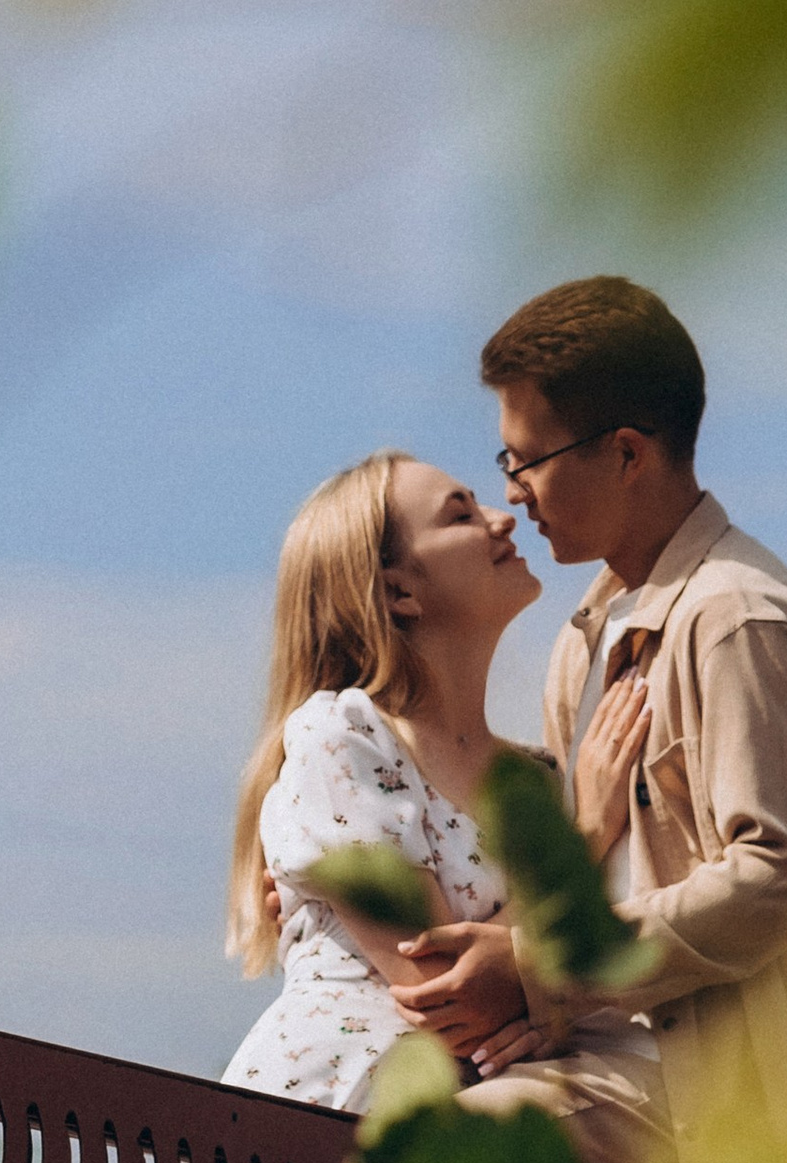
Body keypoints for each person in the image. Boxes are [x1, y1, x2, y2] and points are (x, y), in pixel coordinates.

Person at [388, 277, 787, 1163]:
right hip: (608, 1061)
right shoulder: (590, 632)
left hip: (720, 1096)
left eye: (526, 459)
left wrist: (547, 965)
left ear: (625, 454)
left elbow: (786, 872)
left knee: (433, 1158)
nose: (512, 491)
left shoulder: (739, 619)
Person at [222, 449, 651, 1125]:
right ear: (399, 591)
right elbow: (443, 991)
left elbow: (572, 982)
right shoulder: (342, 740)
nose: (502, 519)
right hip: (327, 1124)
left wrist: (549, 1013)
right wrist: (587, 833)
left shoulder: (539, 780)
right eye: (461, 514)